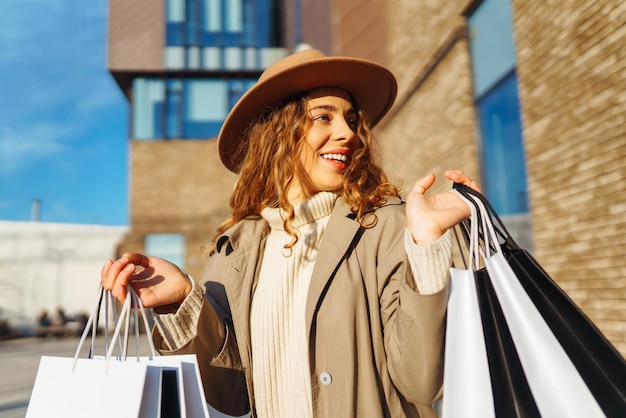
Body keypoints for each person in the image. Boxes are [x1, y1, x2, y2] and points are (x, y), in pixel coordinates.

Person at [102, 49, 479, 418]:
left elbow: (423, 382)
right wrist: (183, 299)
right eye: (323, 117)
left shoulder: (387, 226)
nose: (347, 133)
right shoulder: (235, 250)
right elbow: (231, 396)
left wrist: (429, 246)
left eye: (351, 119)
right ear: (277, 134)